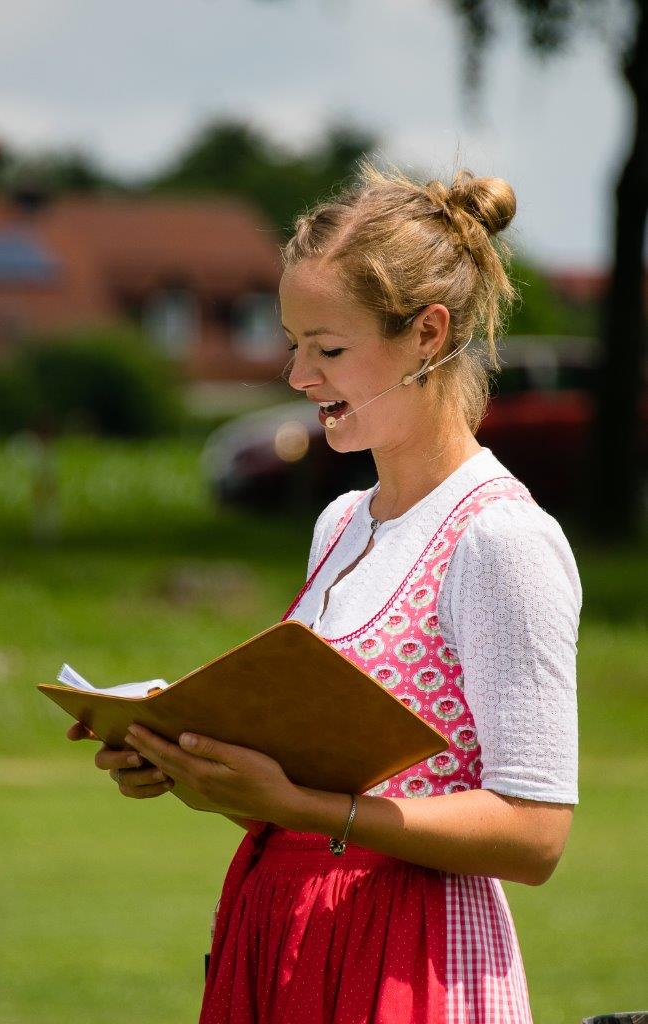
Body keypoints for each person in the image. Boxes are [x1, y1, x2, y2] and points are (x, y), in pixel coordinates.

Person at [68, 159, 582, 1023]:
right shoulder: (342, 522)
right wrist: (197, 771)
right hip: (285, 931)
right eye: (293, 344)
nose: (300, 378)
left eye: (329, 349)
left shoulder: (500, 537)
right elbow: (313, 796)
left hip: (408, 958)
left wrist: (311, 807)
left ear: (428, 333)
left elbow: (534, 834)